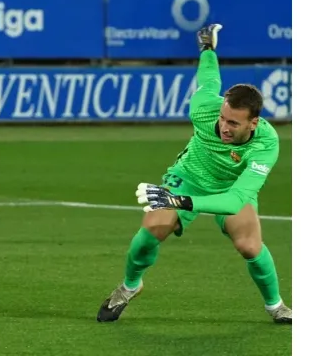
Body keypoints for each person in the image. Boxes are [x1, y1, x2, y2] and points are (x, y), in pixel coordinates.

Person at [96, 24, 292, 324]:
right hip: (188, 175)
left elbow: (235, 200)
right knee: (151, 231)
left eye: (234, 124)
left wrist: (183, 203)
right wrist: (208, 50)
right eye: (223, 118)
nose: (224, 127)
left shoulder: (267, 144)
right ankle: (129, 286)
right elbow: (209, 80)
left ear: (253, 122)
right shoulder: (203, 109)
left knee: (249, 246)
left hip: (232, 187)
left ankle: (275, 306)